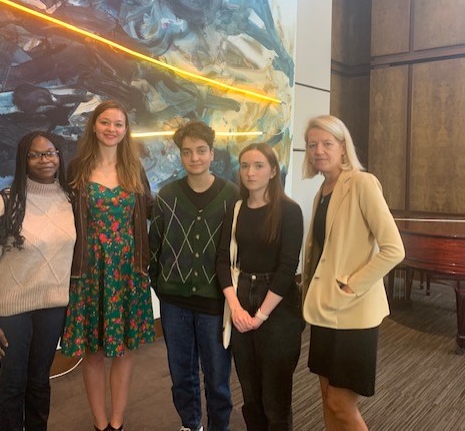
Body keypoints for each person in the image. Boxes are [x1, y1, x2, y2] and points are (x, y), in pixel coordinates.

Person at [302, 115, 405, 431]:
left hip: (353, 312)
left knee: (340, 404)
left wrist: (351, 287)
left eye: (327, 143)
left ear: (343, 148)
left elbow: (394, 249)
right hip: (324, 310)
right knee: (325, 394)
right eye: (312, 145)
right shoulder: (323, 190)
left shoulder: (362, 183)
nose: (319, 150)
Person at [61, 100, 155, 431]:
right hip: (90, 270)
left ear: (126, 130)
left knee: (126, 350)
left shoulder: (135, 169)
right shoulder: (75, 169)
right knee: (94, 351)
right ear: (94, 126)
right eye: (105, 122)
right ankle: (100, 424)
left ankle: (117, 422)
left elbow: (152, 214)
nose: (111, 129)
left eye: (118, 124)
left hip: (129, 271)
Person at [0, 131, 76, 431]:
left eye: (51, 152)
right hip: (11, 311)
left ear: (59, 155)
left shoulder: (70, 199)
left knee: (39, 381)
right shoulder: (4, 203)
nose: (45, 160)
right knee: (13, 384)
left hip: (53, 308)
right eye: (35, 154)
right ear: (24, 160)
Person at [149, 121, 239, 431]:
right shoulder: (168, 195)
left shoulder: (232, 196)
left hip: (215, 301)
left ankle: (219, 426)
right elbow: (154, 245)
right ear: (180, 156)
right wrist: (160, 285)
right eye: (187, 152)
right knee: (181, 374)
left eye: (201, 151)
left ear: (212, 153)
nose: (194, 158)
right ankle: (190, 424)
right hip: (174, 302)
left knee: (217, 375)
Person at [216, 142, 304, 431]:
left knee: (275, 398)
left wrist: (260, 316)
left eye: (258, 166)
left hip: (278, 307)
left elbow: (287, 268)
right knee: (251, 394)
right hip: (242, 299)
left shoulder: (290, 211)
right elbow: (222, 262)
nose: (250, 173)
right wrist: (236, 307)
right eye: (244, 166)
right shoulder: (237, 208)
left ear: (273, 171)